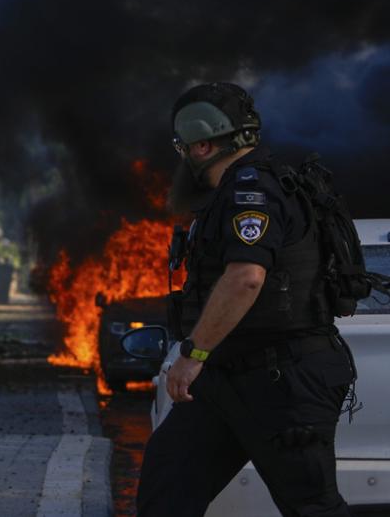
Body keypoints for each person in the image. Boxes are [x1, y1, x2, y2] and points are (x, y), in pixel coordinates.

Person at [138, 82, 356, 516]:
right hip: (226, 380)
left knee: (312, 508)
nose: (182, 157)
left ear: (202, 146)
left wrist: (194, 352)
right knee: (166, 493)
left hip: (284, 381)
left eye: (183, 147)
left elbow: (245, 279)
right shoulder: (236, 191)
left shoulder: (251, 192)